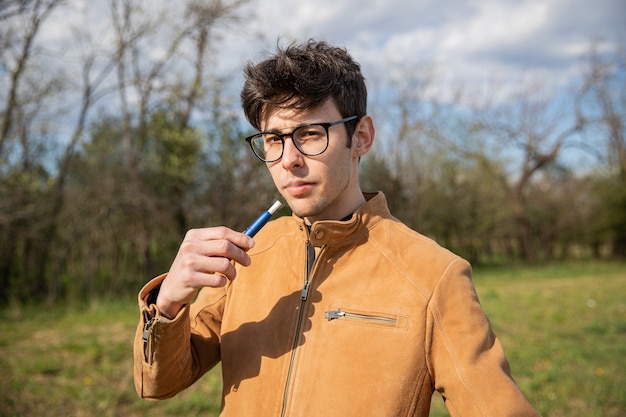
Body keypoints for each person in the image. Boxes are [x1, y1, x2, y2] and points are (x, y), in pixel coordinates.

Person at [133, 39, 540, 417]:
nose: (288, 159)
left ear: (360, 137)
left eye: (310, 134)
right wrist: (167, 306)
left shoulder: (434, 275)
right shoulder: (246, 254)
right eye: (274, 139)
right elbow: (158, 384)